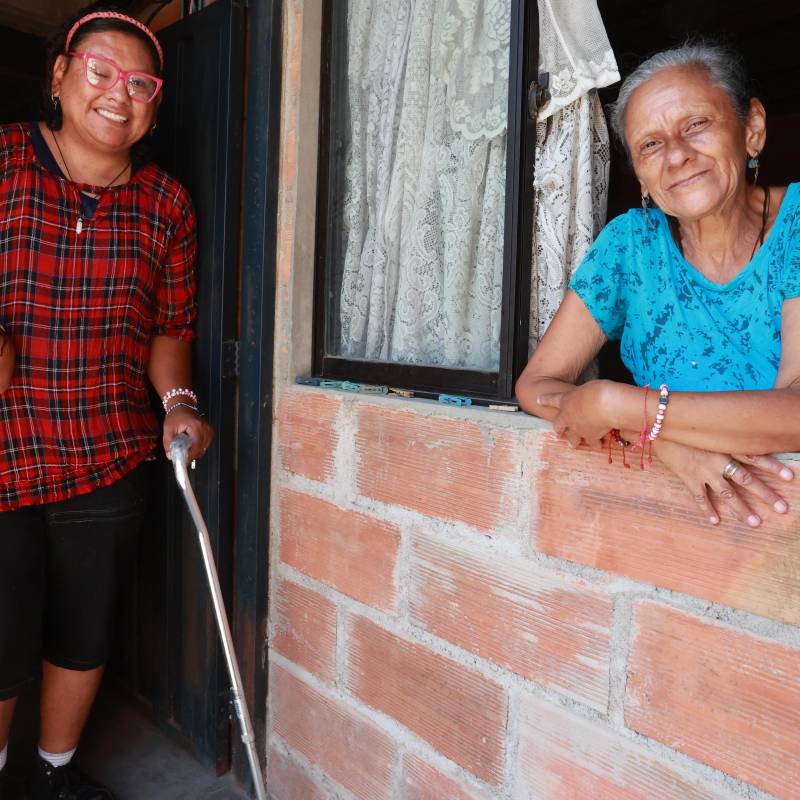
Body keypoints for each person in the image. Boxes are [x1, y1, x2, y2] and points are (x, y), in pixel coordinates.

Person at [0, 4, 213, 799]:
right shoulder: (5, 163)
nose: (118, 94)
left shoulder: (167, 205)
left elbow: (170, 328)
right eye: (99, 71)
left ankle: (54, 776)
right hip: (6, 448)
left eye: (141, 83)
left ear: (155, 103)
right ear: (59, 76)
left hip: (105, 451)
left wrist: (180, 403)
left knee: (84, 632)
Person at [516, 41, 800, 527]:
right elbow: (536, 386)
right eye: (650, 144)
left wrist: (622, 404)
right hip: (652, 533)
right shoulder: (629, 246)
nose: (677, 155)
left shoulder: (795, 225)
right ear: (642, 178)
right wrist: (660, 439)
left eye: (696, 125)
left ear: (752, 129)